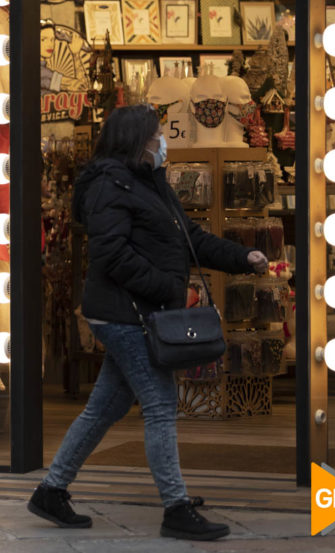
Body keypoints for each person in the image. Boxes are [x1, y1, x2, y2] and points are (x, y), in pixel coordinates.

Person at [27, 105, 269, 542]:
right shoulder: (109, 186)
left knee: (106, 407)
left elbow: (189, 238)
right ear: (139, 141)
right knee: (160, 406)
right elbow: (111, 255)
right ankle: (175, 508)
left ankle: (51, 489)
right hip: (126, 314)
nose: (165, 143)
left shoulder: (148, 182)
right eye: (159, 136)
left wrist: (242, 258)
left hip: (136, 311)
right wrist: (165, 289)